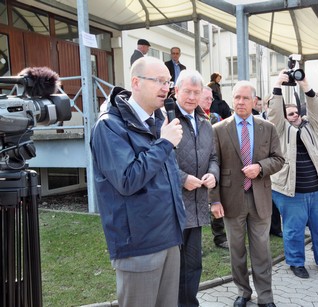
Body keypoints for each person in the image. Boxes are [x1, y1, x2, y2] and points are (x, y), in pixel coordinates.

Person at [90, 57, 185, 306]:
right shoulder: (110, 126)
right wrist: (164, 143)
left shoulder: (155, 122)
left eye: (168, 81)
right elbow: (128, 179)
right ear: (136, 82)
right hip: (139, 246)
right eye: (159, 81)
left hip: (169, 237)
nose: (166, 88)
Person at [209, 80, 284, 307]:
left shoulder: (267, 128)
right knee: (237, 251)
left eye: (245, 98)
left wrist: (260, 167)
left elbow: (279, 159)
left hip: (259, 198)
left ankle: (266, 297)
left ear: (254, 101)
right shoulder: (219, 130)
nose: (240, 102)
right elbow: (213, 165)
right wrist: (214, 200)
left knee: (262, 251)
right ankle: (243, 292)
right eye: (237, 98)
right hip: (232, 200)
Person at [269, 70, 318, 279]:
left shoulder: (311, 126)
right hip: (292, 193)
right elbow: (274, 114)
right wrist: (278, 85)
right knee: (294, 231)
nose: (294, 115)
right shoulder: (279, 130)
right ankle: (296, 263)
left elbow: (316, 108)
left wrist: (305, 85)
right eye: (289, 113)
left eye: (296, 112)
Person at [173, 70, 219, 307]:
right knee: (174, 268)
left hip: (198, 205)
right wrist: (182, 179)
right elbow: (160, 160)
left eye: (196, 92)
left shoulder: (205, 123)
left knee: (194, 264)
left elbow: (213, 156)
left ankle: (190, 304)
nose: (192, 97)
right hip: (174, 207)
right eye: (187, 91)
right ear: (176, 91)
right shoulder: (166, 120)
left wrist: (213, 174)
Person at [198, 86, 228, 249]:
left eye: (211, 99)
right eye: (206, 98)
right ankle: (194, 244)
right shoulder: (191, 116)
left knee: (216, 198)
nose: (210, 101)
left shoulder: (215, 117)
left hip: (214, 164)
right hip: (195, 166)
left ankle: (220, 236)